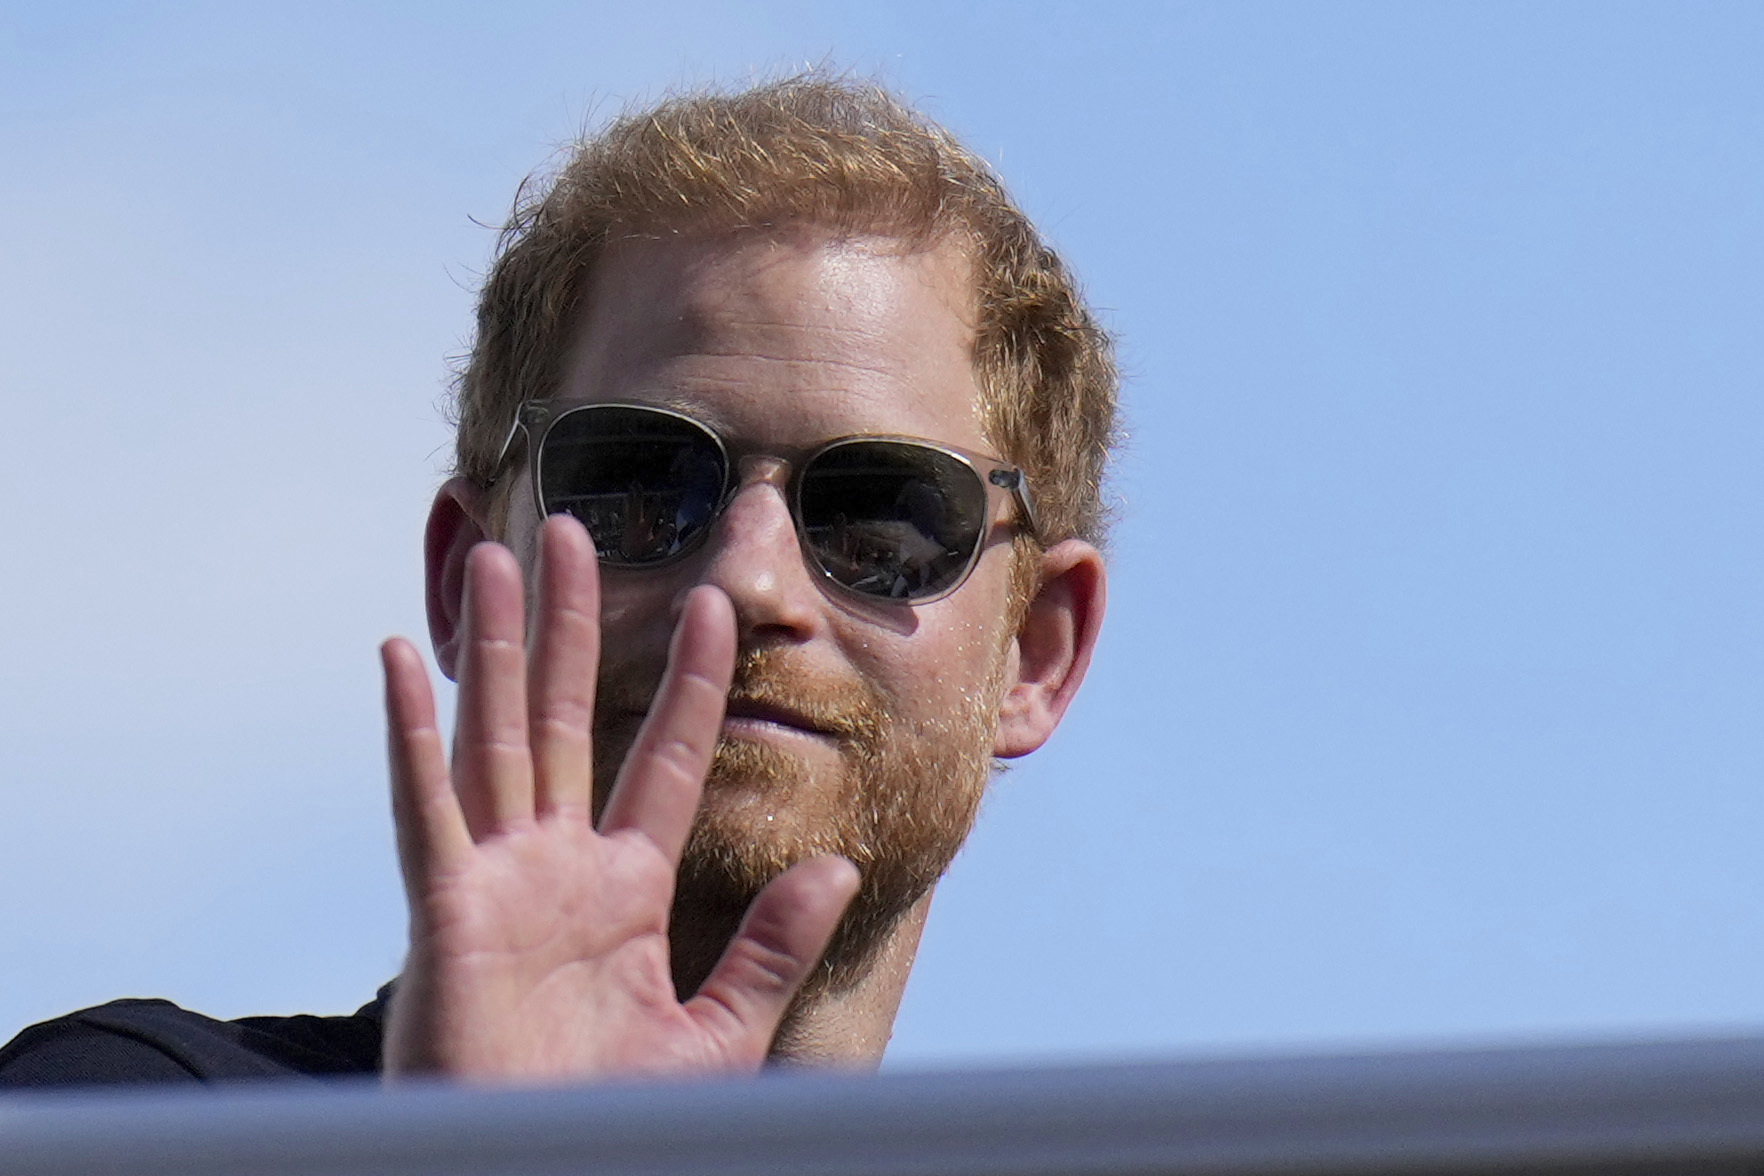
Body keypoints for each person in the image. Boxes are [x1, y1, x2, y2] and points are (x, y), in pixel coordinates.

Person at [0, 73, 1116, 1087]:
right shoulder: (123, 1117)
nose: (749, 578)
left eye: (881, 514)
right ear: (466, 577)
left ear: (1038, 652)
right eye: (639, 482)